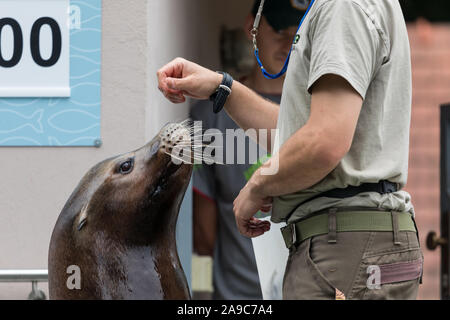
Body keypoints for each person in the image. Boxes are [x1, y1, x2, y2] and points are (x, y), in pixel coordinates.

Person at [158, 0, 424, 300]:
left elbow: (324, 141)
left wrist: (259, 184)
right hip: (353, 244)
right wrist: (222, 88)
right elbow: (301, 135)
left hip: (345, 246)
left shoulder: (341, 6)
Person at [190, 1, 305, 300]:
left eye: (297, 34)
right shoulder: (210, 115)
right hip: (234, 297)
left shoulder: (321, 117)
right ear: (251, 29)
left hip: (308, 289)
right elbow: (202, 236)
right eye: (279, 29)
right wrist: (201, 294)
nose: (287, 41)